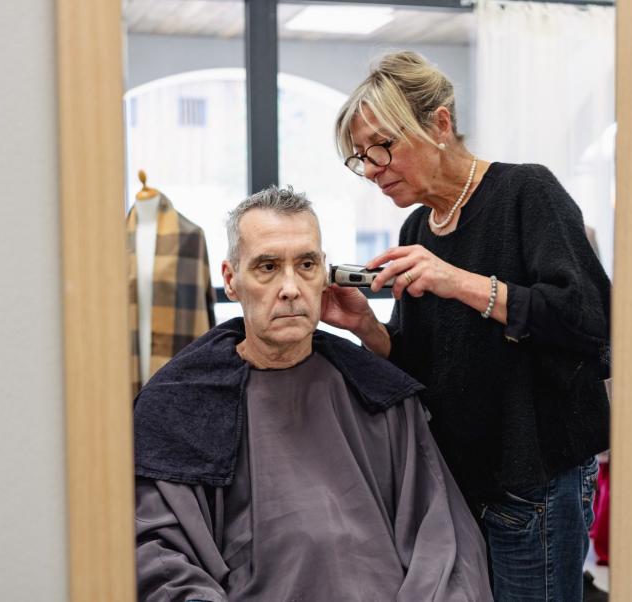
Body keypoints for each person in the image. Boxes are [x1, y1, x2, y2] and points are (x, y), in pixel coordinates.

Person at [322, 51, 611, 601]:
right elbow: (423, 365)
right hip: (462, 484)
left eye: (383, 144)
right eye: (360, 157)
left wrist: (458, 281)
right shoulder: (419, 229)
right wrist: (365, 327)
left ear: (440, 124)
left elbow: (589, 320)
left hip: (535, 483)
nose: (372, 167)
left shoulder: (527, 193)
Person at [133, 185, 493, 602]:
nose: (290, 287)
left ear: (325, 274)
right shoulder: (179, 407)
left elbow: (445, 545)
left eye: (305, 265)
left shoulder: (380, 396)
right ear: (231, 280)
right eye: (267, 267)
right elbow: (159, 558)